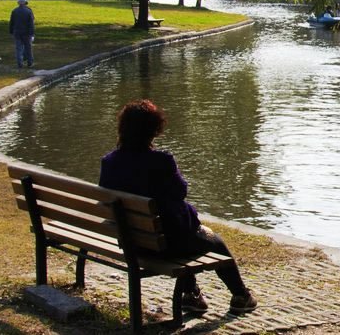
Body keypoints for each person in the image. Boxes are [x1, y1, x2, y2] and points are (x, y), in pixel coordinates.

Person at [99, 100, 257, 315]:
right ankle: (241, 296)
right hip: (164, 245)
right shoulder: (161, 161)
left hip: (133, 243)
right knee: (215, 242)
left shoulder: (109, 162)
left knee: (175, 229)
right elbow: (180, 191)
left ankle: (191, 295)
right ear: (154, 130)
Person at [9, 0, 35, 68]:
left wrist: (11, 31)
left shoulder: (14, 11)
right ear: (25, 2)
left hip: (17, 32)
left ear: (18, 3)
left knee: (18, 48)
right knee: (28, 48)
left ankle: (19, 63)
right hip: (26, 33)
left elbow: (11, 22)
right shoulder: (28, 11)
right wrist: (32, 33)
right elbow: (31, 24)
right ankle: (30, 62)